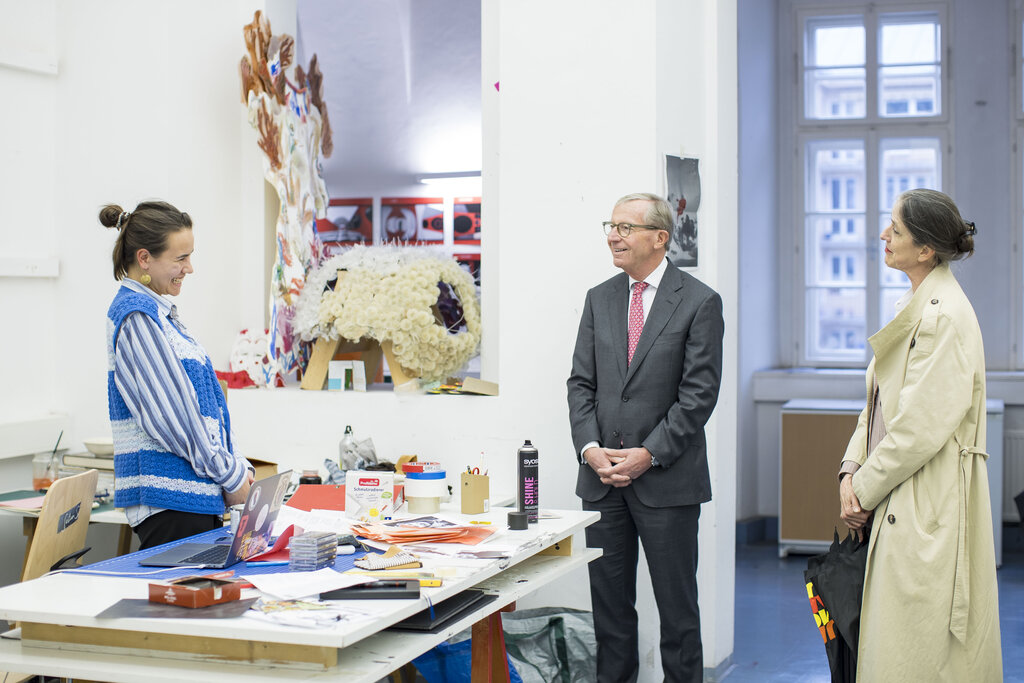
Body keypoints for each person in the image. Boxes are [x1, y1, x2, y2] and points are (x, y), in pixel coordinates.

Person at [838, 189, 1001, 682]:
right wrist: (849, 471)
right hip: (897, 492)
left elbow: (918, 429)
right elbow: (877, 403)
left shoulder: (945, 315)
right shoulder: (912, 302)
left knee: (922, 654)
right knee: (896, 647)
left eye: (896, 230)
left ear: (926, 249)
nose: (883, 236)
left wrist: (862, 490)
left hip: (927, 498)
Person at [567, 192, 724, 683]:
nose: (613, 235)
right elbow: (581, 384)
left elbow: (698, 396)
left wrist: (647, 455)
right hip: (602, 482)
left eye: (625, 227)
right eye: (610, 225)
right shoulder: (600, 297)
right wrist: (591, 450)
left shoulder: (699, 302)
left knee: (678, 616)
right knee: (611, 615)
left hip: (668, 484)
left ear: (660, 238)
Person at [100, 200, 253, 550]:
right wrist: (231, 477)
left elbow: (208, 412)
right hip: (172, 503)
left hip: (191, 499)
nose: (190, 268)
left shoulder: (162, 316)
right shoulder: (136, 317)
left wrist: (237, 466)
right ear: (144, 259)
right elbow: (176, 419)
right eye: (180, 259)